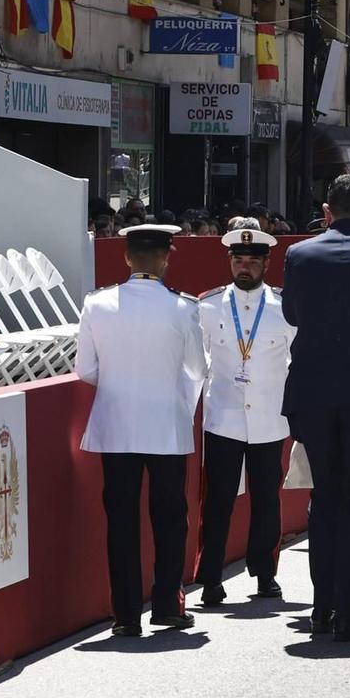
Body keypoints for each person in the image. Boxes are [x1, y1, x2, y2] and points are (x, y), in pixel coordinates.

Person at [74, 223, 206, 637]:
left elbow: (85, 369)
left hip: (116, 426)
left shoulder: (97, 304)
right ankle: (167, 604)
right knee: (170, 519)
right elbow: (198, 370)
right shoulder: (183, 308)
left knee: (121, 521)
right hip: (166, 425)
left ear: (127, 257)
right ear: (166, 258)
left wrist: (121, 386)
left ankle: (126, 615)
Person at [281, 174, 350, 640]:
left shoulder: (300, 254)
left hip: (313, 391)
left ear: (327, 211)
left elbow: (292, 315)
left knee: (324, 498)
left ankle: (322, 605)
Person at [196, 220, 295, 606]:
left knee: (266, 499)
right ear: (229, 261)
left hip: (269, 417)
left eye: (252, 261)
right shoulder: (208, 305)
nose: (244, 267)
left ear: (266, 263)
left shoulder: (284, 307)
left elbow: (296, 358)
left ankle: (265, 574)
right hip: (223, 416)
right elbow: (196, 361)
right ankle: (211, 577)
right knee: (218, 499)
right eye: (238, 260)